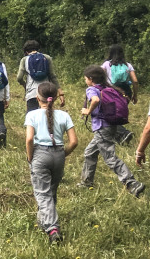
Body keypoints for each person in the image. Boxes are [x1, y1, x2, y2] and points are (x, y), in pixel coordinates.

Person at [78, 65, 145, 197]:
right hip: (111, 126)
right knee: (89, 153)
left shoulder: (92, 89)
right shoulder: (108, 88)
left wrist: (88, 111)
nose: (85, 81)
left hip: (102, 128)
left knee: (110, 158)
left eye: (85, 78)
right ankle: (86, 182)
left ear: (91, 79)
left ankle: (132, 184)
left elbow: (95, 100)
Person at [25, 81, 78, 244]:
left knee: (42, 193)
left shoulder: (32, 115)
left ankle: (53, 229)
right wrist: (63, 154)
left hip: (40, 154)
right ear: (55, 97)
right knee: (51, 191)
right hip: (59, 154)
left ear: (37, 97)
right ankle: (43, 222)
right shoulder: (64, 115)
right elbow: (74, 141)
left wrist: (30, 157)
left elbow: (29, 139)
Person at [101, 44, 138, 145]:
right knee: (118, 113)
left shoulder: (106, 64)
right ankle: (119, 139)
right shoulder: (128, 65)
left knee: (110, 115)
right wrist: (135, 95)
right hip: (126, 92)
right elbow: (135, 81)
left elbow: (100, 78)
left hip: (112, 92)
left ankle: (124, 133)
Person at [17, 40, 63, 112]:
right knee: (48, 115)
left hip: (32, 93)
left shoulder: (24, 59)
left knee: (32, 117)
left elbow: (19, 78)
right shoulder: (47, 57)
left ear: (26, 51)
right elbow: (52, 76)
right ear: (38, 49)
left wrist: (24, 85)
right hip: (46, 92)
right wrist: (60, 92)